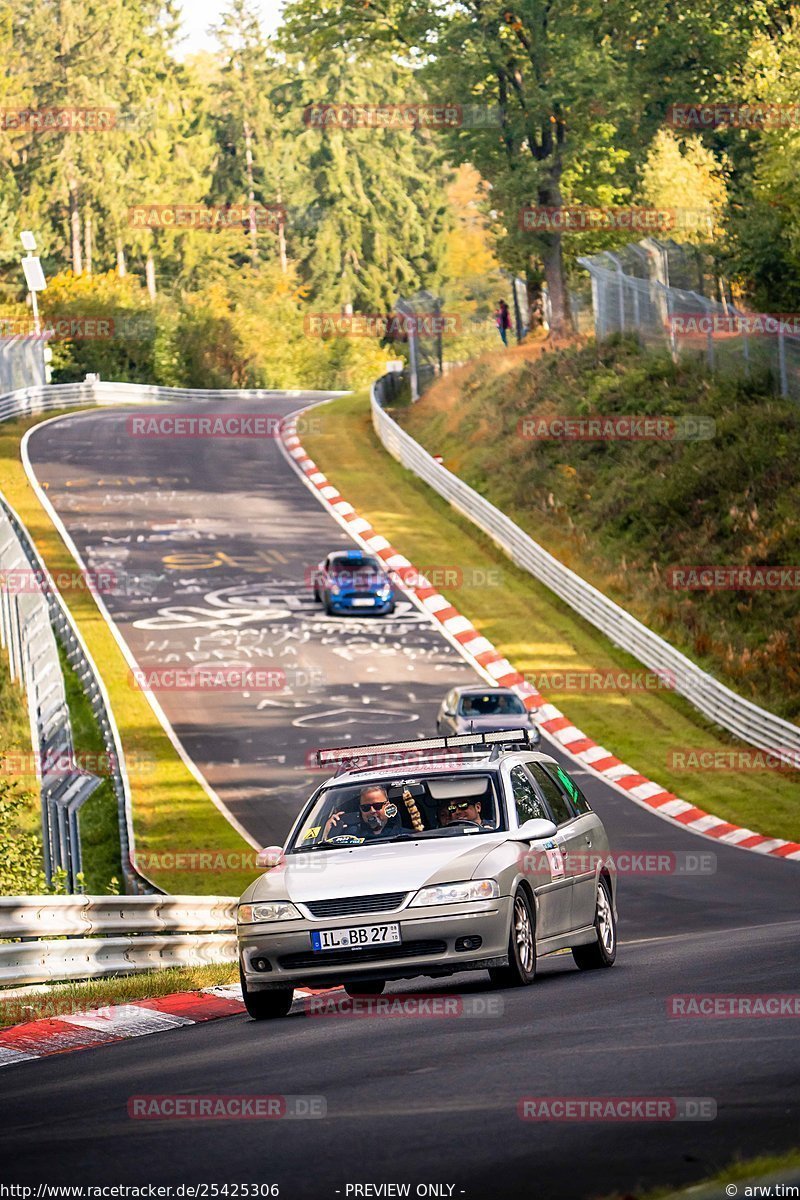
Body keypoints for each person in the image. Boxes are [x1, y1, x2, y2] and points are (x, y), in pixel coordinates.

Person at [324, 785, 401, 842]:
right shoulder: (348, 837)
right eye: (366, 807)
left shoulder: (405, 835)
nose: (372, 811)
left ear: (387, 806)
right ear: (360, 809)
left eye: (377, 806)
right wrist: (327, 834)